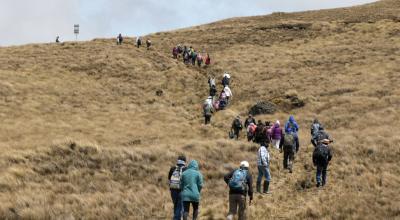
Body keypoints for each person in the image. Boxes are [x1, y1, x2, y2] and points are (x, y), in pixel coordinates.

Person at [168, 155, 187, 220]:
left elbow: (169, 180)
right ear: (184, 161)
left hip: (173, 190)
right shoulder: (186, 169)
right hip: (181, 190)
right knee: (180, 208)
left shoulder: (172, 168)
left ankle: (176, 217)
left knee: (176, 206)